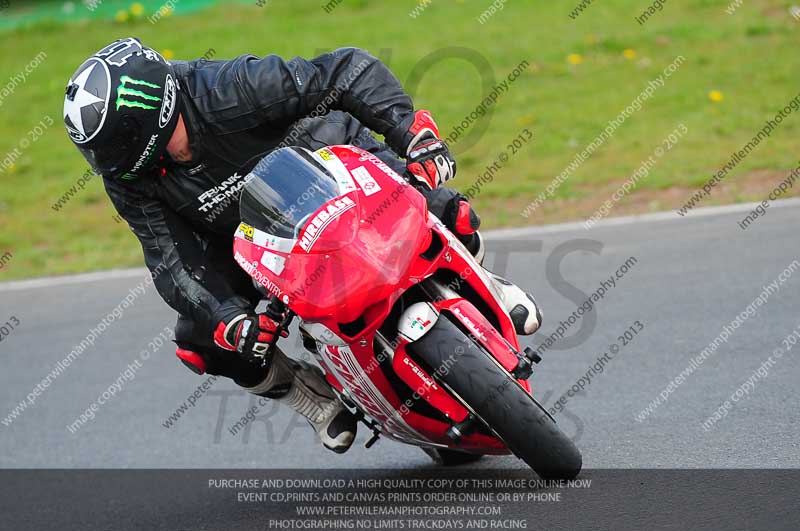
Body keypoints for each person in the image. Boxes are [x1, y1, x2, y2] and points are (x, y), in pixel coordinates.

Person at [62, 37, 541, 454]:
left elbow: (344, 69)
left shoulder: (228, 87)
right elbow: (171, 260)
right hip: (247, 241)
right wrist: (230, 318)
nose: (106, 161)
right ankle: (309, 398)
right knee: (202, 343)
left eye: (113, 144)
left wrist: (409, 131)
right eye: (96, 151)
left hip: (328, 167)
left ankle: (489, 287)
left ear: (150, 115)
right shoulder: (128, 178)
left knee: (447, 208)